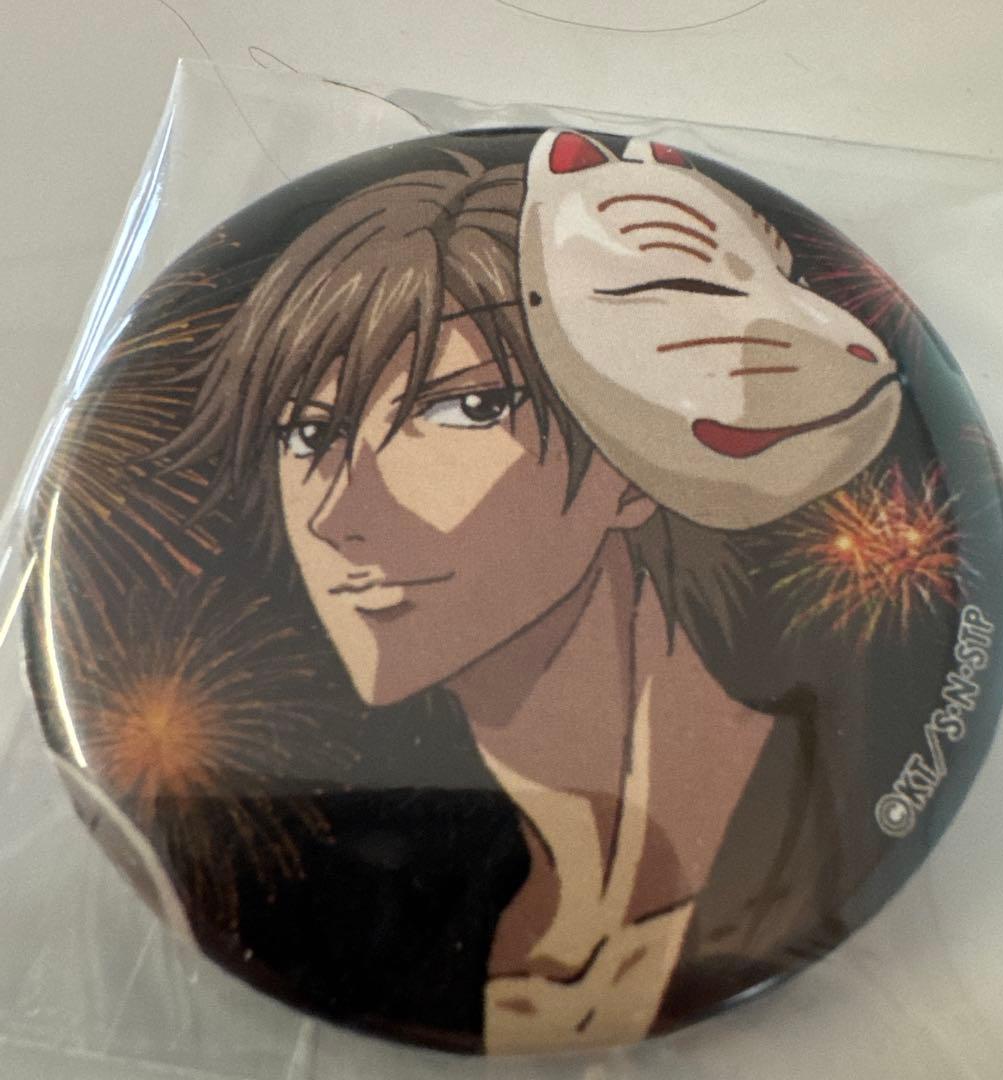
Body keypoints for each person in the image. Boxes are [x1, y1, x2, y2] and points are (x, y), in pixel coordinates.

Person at [162, 142, 856, 1052]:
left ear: (633, 458)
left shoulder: (813, 812)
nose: (340, 514)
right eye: (309, 431)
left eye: (464, 409)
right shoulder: (418, 914)